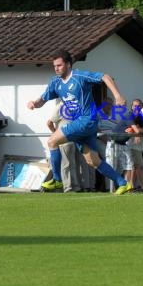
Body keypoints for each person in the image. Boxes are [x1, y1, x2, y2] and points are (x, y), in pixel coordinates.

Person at [27, 49, 131, 194]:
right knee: (92, 161)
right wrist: (34, 103)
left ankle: (57, 180)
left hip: (87, 120)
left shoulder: (79, 76)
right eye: (55, 66)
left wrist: (118, 96)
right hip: (80, 125)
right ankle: (123, 183)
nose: (56, 68)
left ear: (68, 64)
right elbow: (42, 99)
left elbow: (105, 77)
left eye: (59, 65)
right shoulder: (55, 82)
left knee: (52, 141)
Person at [47, 101, 93, 192]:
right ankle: (78, 186)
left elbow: (49, 123)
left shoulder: (60, 106)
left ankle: (68, 187)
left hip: (65, 137)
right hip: (78, 137)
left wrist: (55, 134)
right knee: (75, 164)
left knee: (66, 164)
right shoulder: (79, 104)